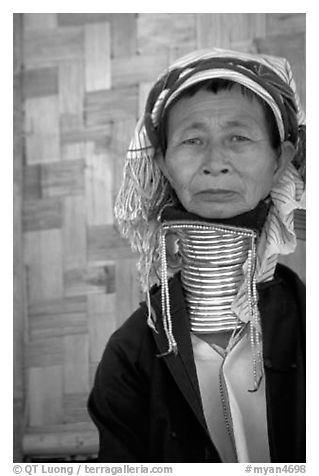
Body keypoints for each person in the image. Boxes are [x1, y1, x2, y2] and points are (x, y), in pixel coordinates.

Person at [88, 48, 306, 463]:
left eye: (239, 137)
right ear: (164, 164)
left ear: (280, 159)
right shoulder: (129, 357)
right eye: (192, 140)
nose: (215, 163)